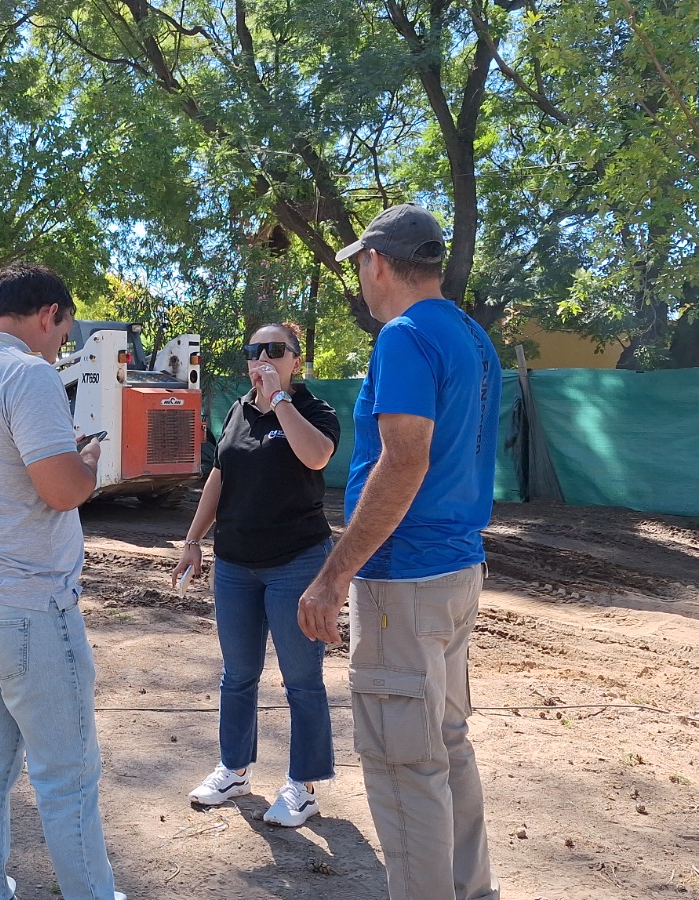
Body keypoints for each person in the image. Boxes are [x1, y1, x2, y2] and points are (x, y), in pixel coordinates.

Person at [297, 204, 503, 900]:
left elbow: (405, 459)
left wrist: (333, 577)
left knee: (402, 762)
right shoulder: (471, 335)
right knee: (445, 745)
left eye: (361, 263)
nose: (361, 276)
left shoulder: (404, 336)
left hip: (402, 582)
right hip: (455, 571)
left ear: (377, 262)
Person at [0, 263, 125, 900]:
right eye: (63, 332)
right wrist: (88, 460)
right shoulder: (27, 374)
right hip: (27, 605)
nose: (61, 347)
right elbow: (62, 491)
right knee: (68, 776)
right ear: (48, 314)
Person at [172, 322, 340, 827]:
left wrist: (279, 400)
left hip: (297, 563)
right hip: (236, 565)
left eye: (274, 350)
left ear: (296, 360)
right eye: (254, 350)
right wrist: (193, 541)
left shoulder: (314, 410)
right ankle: (234, 769)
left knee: (302, 680)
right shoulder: (237, 411)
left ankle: (303, 786)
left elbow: (317, 455)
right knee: (238, 675)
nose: (262, 358)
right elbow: (219, 476)